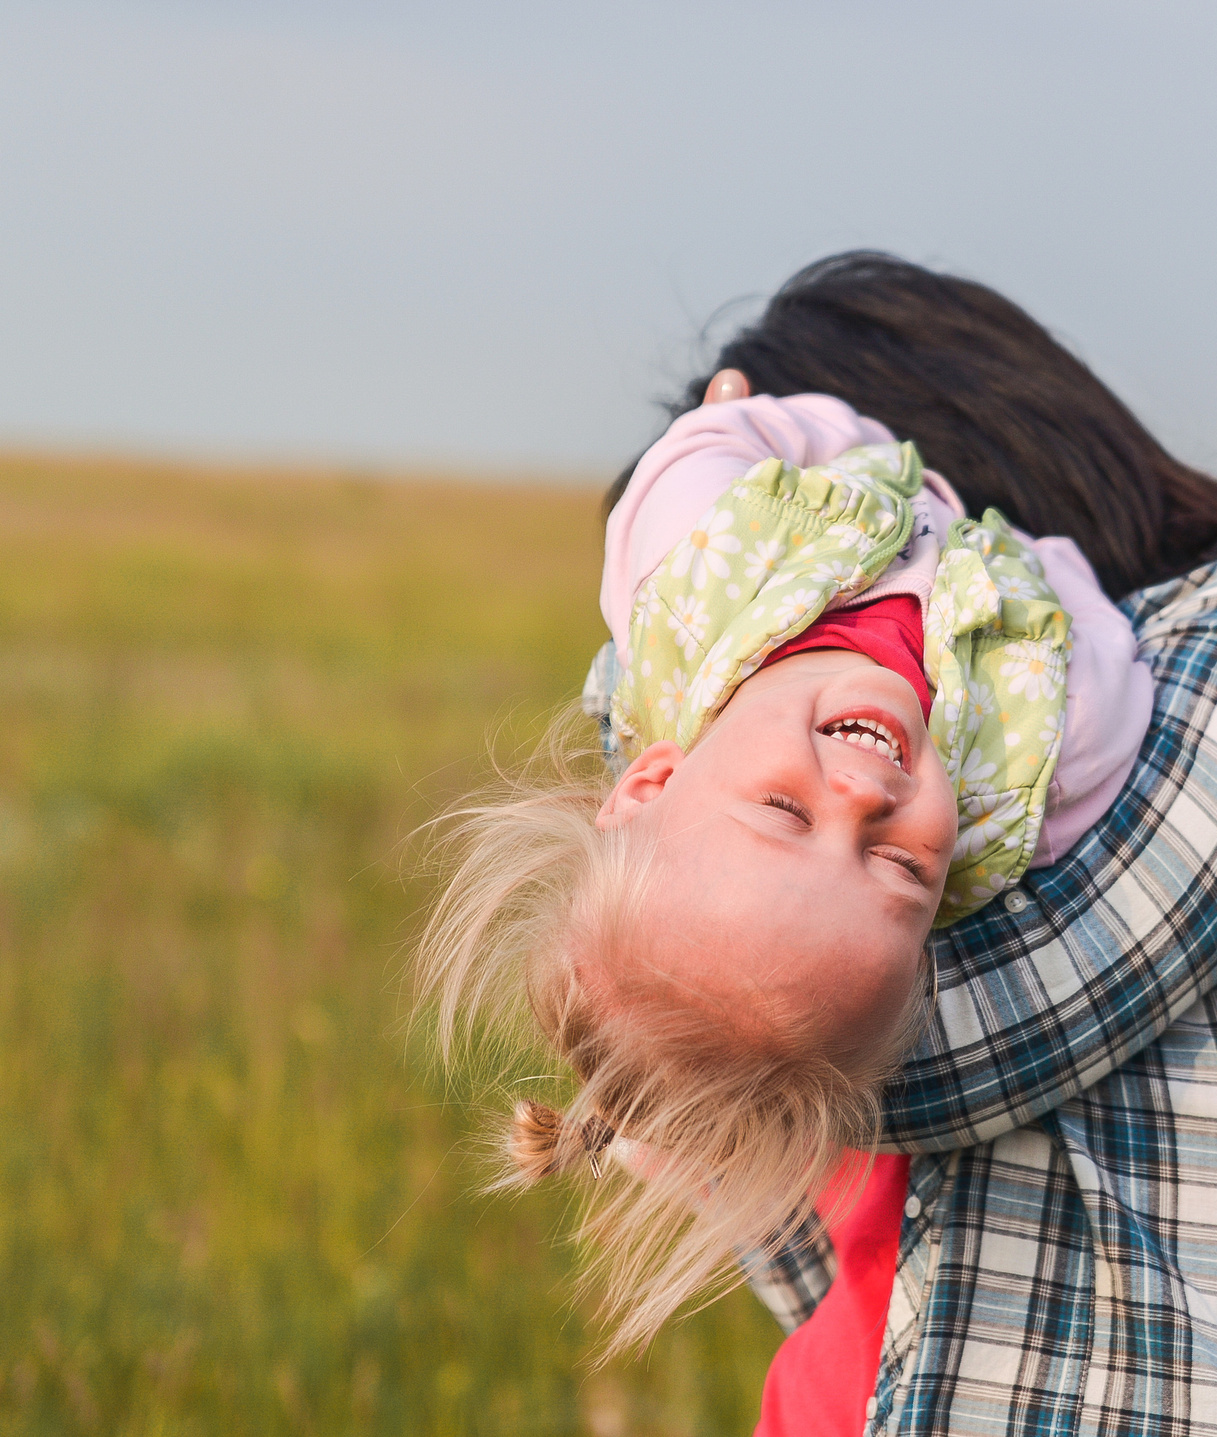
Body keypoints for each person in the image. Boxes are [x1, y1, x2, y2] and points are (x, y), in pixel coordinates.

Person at [452, 252, 1217, 1435]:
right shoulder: (869, 853)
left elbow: (925, 1044)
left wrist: (688, 622)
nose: (856, 803)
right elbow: (803, 1201)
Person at [418, 375, 1159, 1368]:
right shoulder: (1032, 772)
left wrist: (832, 433)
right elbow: (1104, 633)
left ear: (651, 778)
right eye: (899, 865)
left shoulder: (691, 582)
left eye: (784, 811)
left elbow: (709, 446)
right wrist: (1041, 559)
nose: (861, 793)